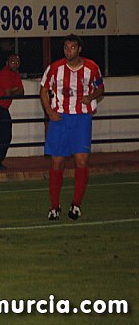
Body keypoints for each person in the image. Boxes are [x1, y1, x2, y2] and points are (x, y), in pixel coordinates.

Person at [40, 34, 104, 221]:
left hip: (81, 119)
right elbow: (43, 90)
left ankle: (76, 205)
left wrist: (91, 97)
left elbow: (101, 88)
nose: (69, 51)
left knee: (81, 162)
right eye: (66, 47)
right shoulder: (54, 68)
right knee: (57, 162)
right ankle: (54, 207)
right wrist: (49, 112)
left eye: (72, 48)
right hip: (60, 119)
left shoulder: (92, 68)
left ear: (79, 49)